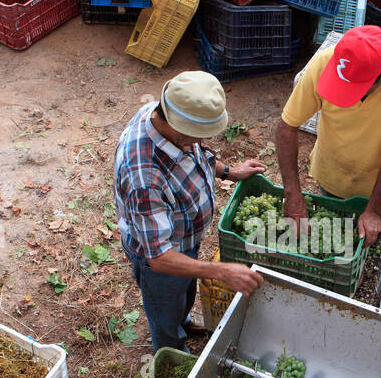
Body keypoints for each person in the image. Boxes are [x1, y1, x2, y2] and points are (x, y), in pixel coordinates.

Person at [274, 25, 381, 313]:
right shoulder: (325, 62)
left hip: (380, 188)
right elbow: (286, 126)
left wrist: (374, 210)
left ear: (380, 78)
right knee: (334, 253)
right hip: (332, 177)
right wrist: (292, 194)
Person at [113, 71, 266, 351]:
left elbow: (192, 157)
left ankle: (182, 320)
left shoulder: (162, 114)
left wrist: (229, 172)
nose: (199, 142)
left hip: (183, 242)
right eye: (196, 136)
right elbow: (159, 258)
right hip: (162, 258)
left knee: (183, 295)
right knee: (165, 310)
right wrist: (219, 271)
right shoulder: (143, 178)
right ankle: (172, 352)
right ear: (178, 128)